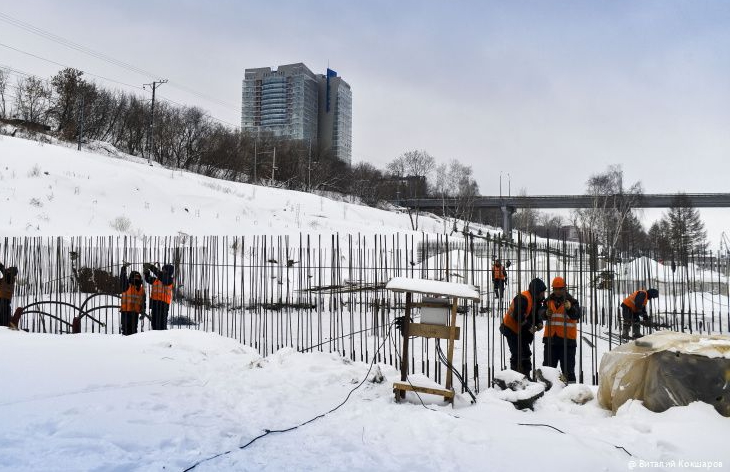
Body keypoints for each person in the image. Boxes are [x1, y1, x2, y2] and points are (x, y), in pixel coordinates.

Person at [500, 278, 547, 377]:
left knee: (525, 354)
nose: (544, 295)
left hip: (521, 331)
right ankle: (515, 377)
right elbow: (518, 316)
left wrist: (539, 322)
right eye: (542, 292)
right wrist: (529, 326)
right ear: (537, 292)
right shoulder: (523, 298)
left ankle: (525, 376)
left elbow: (536, 314)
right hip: (511, 329)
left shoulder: (536, 300)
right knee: (518, 354)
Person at [542, 277, 582, 383]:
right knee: (548, 371)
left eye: (560, 289)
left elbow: (577, 315)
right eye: (555, 289)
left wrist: (570, 308)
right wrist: (544, 313)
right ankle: (548, 393)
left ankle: (571, 393)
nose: (557, 291)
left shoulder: (572, 302)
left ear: (565, 288)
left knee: (568, 372)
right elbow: (539, 314)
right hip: (551, 341)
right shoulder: (547, 301)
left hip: (567, 342)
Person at [144, 263, 175, 330]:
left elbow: (161, 276)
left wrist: (151, 267)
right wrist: (147, 272)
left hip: (163, 305)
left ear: (168, 272)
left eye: (164, 270)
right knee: (154, 324)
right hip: (155, 304)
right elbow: (148, 279)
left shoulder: (169, 280)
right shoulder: (157, 280)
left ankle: (163, 338)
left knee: (161, 324)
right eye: (162, 269)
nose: (162, 271)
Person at [119, 264, 145, 335]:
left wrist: (143, 311)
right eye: (135, 277)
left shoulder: (142, 290)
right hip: (126, 312)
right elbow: (123, 279)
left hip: (135, 313)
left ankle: (132, 344)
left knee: (133, 332)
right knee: (125, 330)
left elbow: (143, 302)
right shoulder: (127, 285)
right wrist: (123, 270)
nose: (136, 279)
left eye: (138, 277)